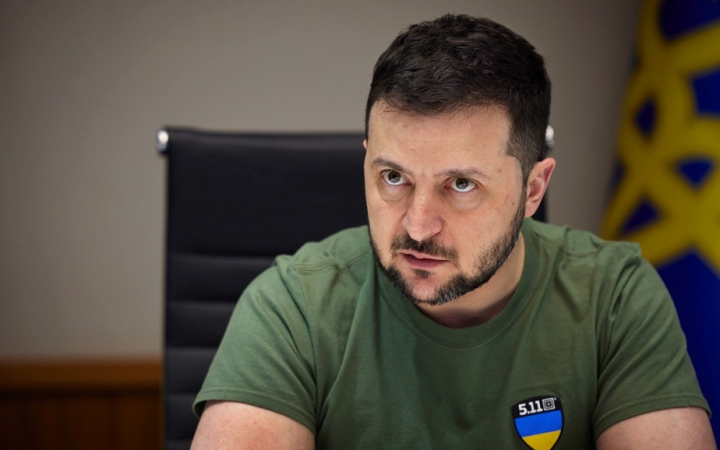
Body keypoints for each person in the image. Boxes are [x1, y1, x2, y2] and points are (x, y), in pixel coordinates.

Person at [190, 14, 715, 449]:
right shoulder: (292, 307)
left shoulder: (615, 297)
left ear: (533, 189)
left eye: (461, 184)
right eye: (393, 177)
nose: (418, 226)